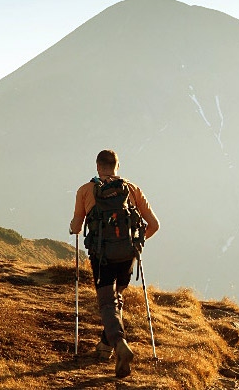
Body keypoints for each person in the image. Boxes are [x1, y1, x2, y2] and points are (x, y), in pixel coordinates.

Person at [69, 149, 159, 379]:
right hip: (127, 255)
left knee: (107, 303)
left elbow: (77, 226)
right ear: (118, 166)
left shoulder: (86, 190)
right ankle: (105, 347)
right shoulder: (131, 189)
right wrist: (136, 242)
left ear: (98, 166)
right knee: (117, 299)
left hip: (102, 256)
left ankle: (119, 344)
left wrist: (73, 228)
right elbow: (154, 224)